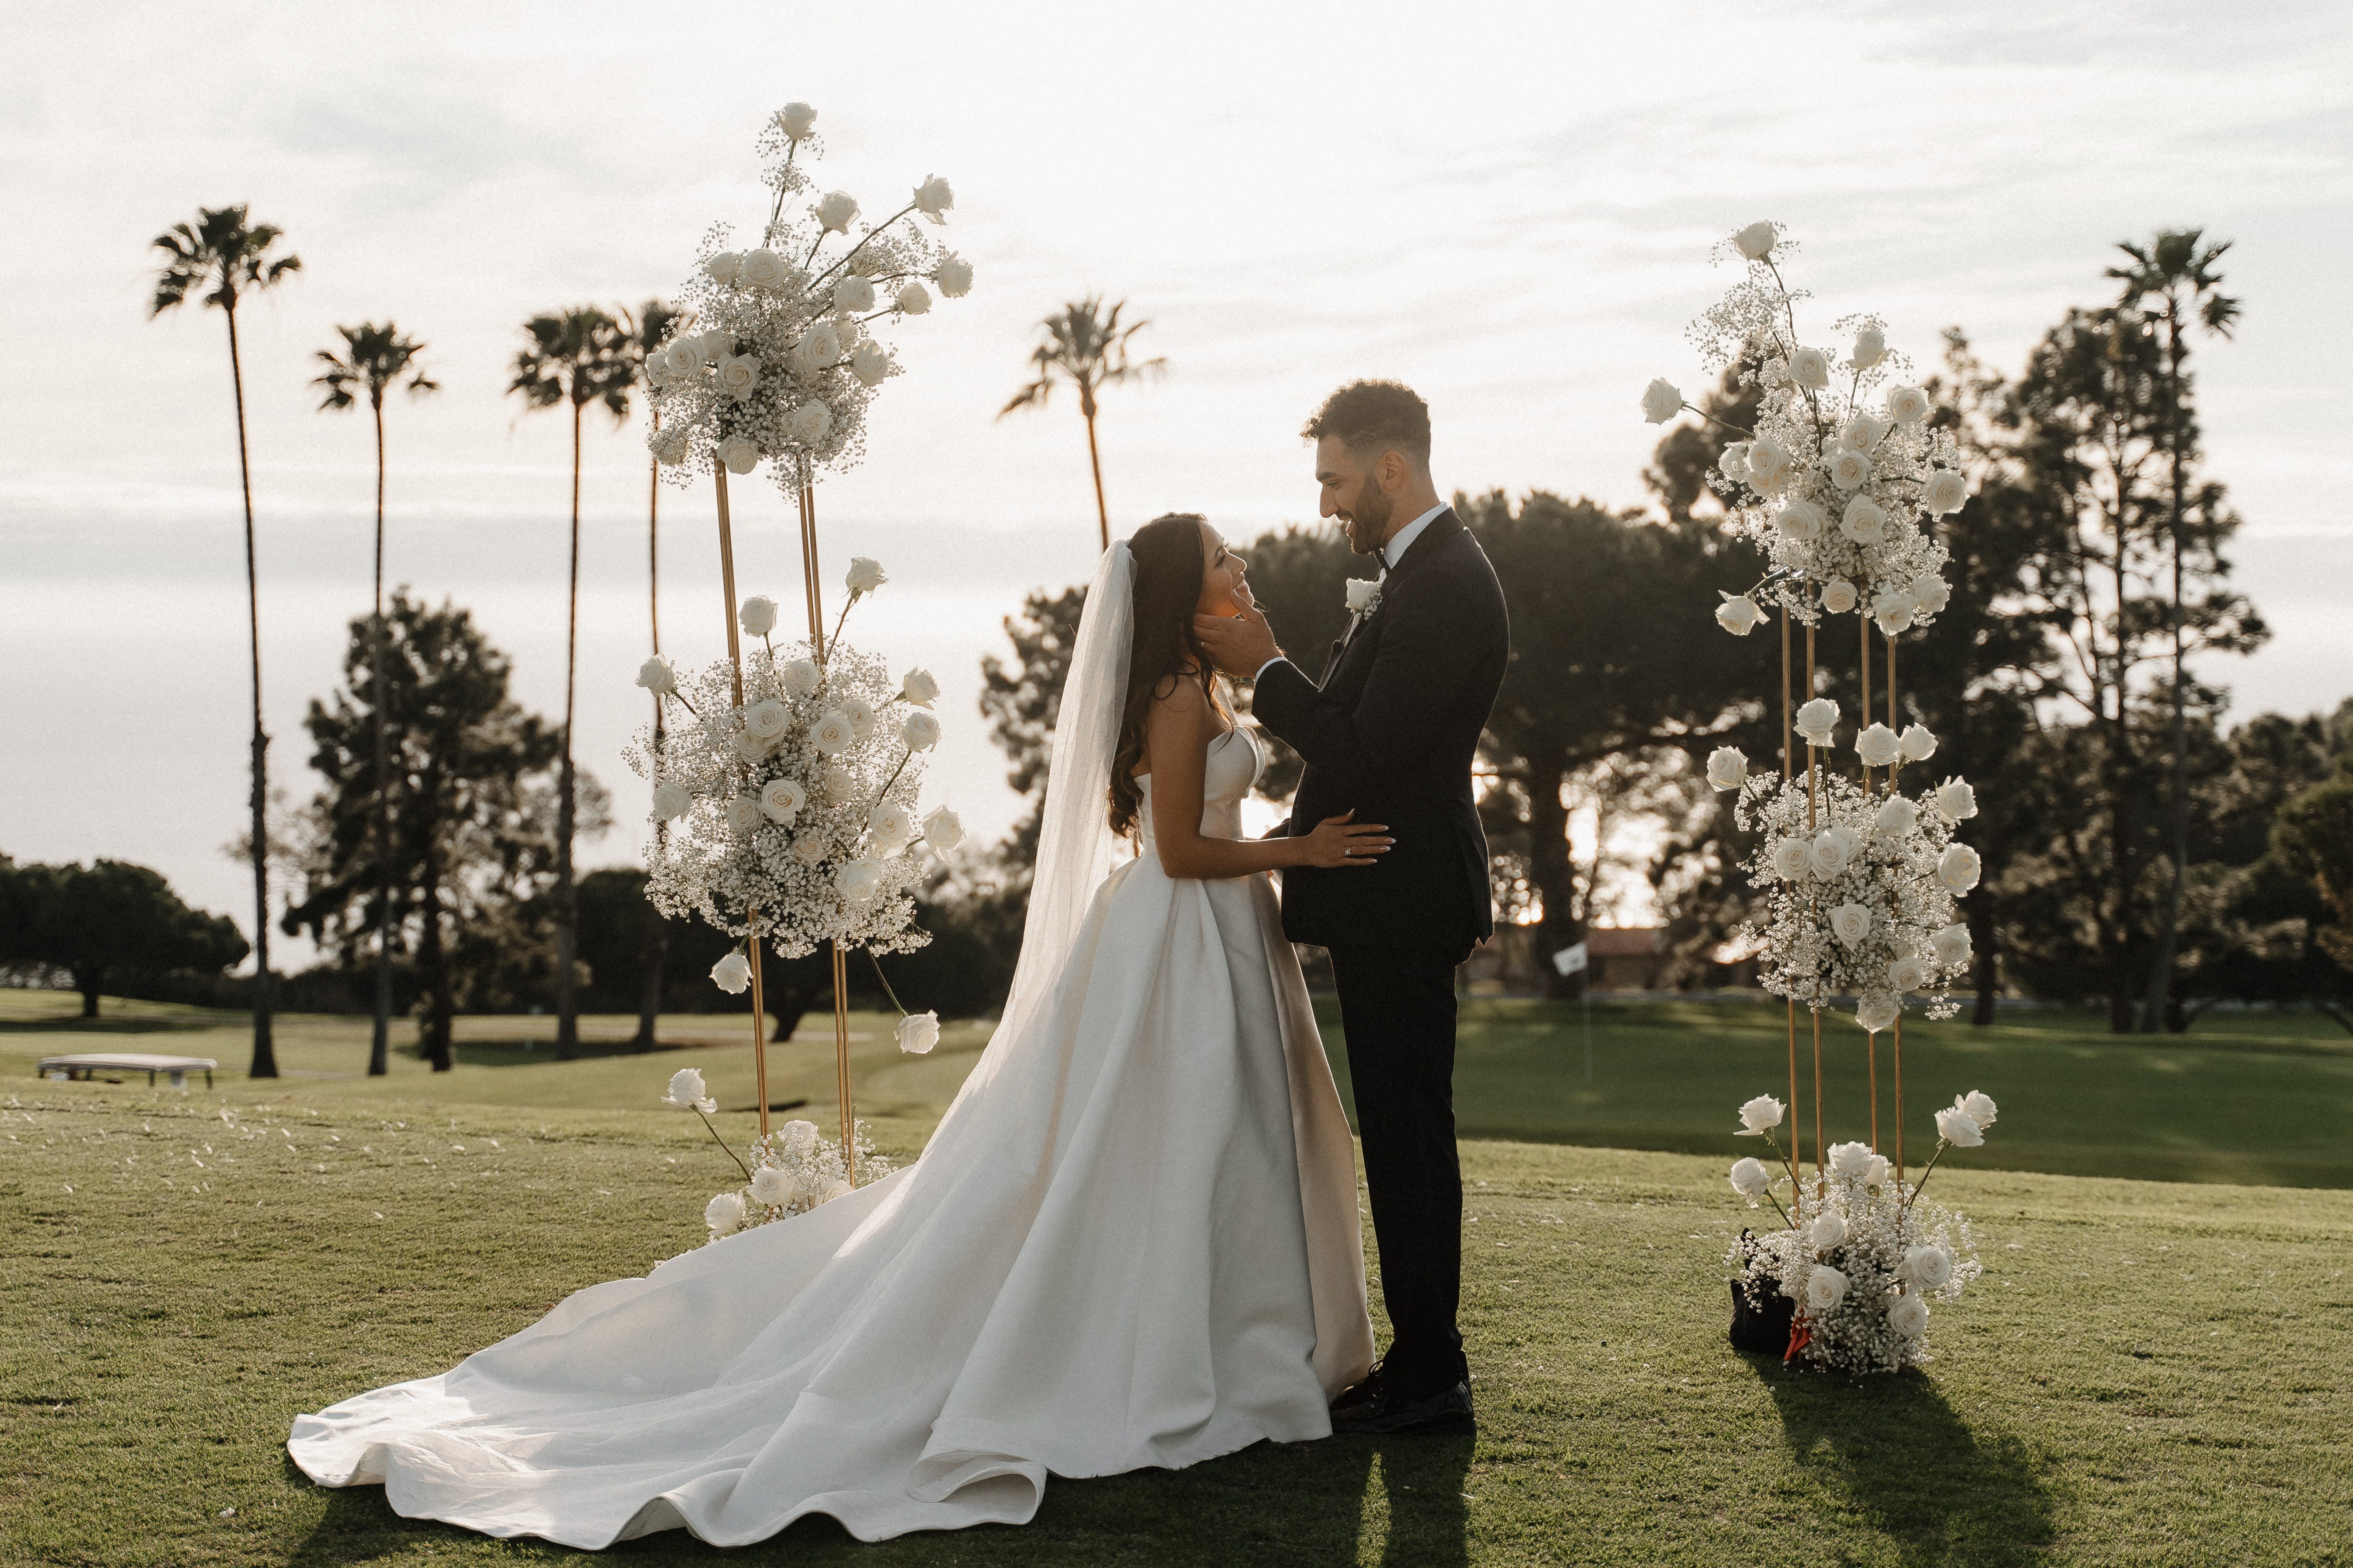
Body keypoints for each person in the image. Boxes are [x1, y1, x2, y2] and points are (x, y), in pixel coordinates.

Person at [287, 514, 1381, 1548]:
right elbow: (1182, 851)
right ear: (1183, 597)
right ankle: (1182, 1357)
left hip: (1216, 940)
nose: (1241, 571)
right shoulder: (1181, 694)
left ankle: (1227, 1338)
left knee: (1216, 1142)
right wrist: (1302, 852)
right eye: (1223, 564)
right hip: (1182, 934)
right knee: (1180, 1139)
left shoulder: (1206, 684)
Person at [1194, 380, 1509, 1436]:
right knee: (1400, 1135)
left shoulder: (1446, 584)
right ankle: (1423, 1362)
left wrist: (1268, 670)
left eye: (1334, 478)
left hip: (1404, 895)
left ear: (1389, 467)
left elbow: (1365, 749)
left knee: (1409, 1139)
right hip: (1388, 893)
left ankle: (1432, 1375)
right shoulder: (1415, 574)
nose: (1327, 503)